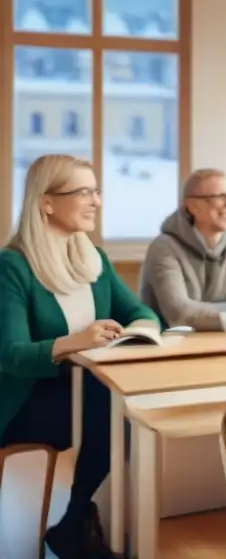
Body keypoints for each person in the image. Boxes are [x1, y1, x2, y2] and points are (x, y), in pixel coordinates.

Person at [0, 155, 162, 559]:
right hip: (25, 401)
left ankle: (73, 522)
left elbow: (142, 314)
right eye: (83, 192)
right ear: (46, 202)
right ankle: (76, 524)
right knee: (108, 408)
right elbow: (12, 355)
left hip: (81, 394)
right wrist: (76, 341)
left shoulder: (95, 260)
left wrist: (136, 335)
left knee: (118, 407)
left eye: (96, 191)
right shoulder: (12, 267)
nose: (96, 201)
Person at [140, 168, 226, 330]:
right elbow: (180, 314)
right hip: (173, 348)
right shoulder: (163, 248)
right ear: (192, 206)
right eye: (219, 197)